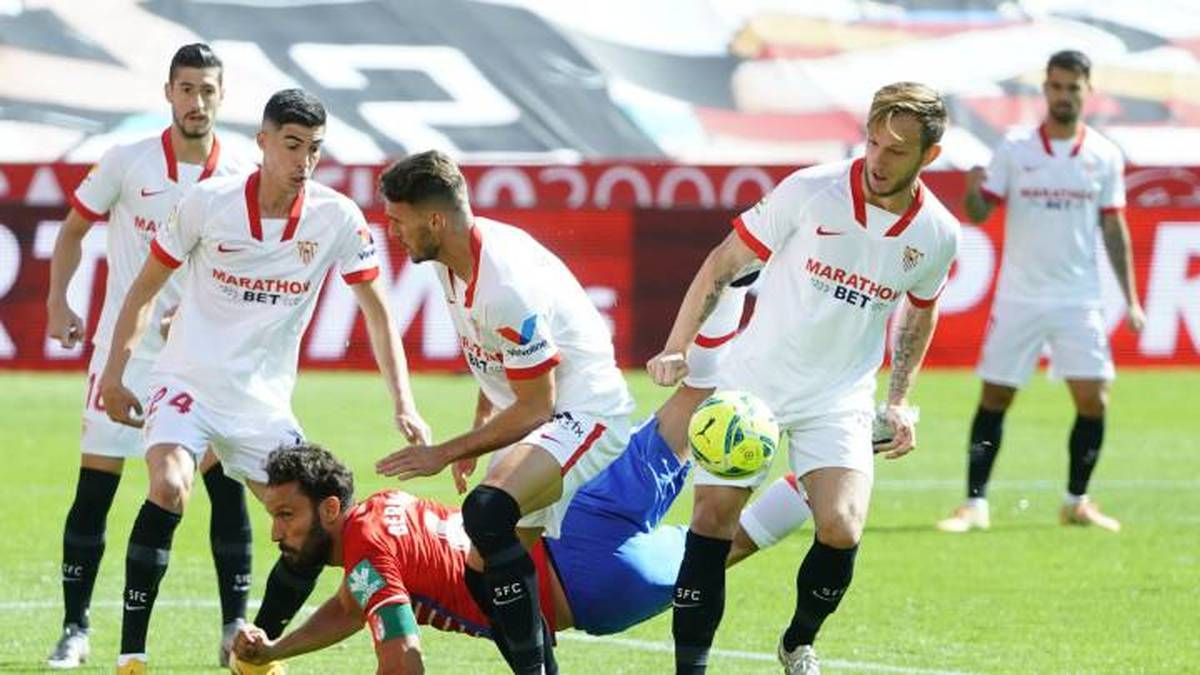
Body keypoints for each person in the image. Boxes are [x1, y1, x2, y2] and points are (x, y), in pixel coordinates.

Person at [97, 88, 429, 674]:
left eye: (315, 149)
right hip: (187, 384)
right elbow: (143, 290)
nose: (303, 162)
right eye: (293, 145)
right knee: (171, 487)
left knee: (318, 523)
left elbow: (378, 313)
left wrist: (404, 403)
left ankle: (256, 650)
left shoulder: (336, 217)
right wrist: (117, 374)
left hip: (261, 404)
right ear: (264, 142)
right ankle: (132, 656)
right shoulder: (209, 202)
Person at [647, 82, 959, 675]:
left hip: (839, 396)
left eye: (896, 151)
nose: (877, 159)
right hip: (753, 383)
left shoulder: (937, 233)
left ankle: (797, 643)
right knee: (712, 520)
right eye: (872, 142)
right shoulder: (811, 190)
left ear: (929, 157)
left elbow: (922, 309)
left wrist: (899, 400)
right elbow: (723, 262)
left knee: (841, 529)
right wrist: (675, 347)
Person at [230, 393, 813, 671]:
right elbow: (349, 606)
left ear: (330, 510)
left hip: (590, 593)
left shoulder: (366, 553)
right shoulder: (382, 512)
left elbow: (402, 659)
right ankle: (821, 450)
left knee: (728, 547)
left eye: (286, 515)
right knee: (682, 413)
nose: (277, 533)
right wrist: (279, 649)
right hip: (569, 533)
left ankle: (814, 479)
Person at [372, 150, 635, 673]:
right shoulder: (454, 262)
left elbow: (539, 406)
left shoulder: (504, 284)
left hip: (588, 411)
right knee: (480, 571)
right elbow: (493, 362)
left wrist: (444, 452)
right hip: (547, 413)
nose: (393, 234)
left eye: (398, 221)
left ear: (435, 219)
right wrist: (478, 433)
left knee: (489, 513)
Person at [43, 43, 257, 669]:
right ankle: (75, 630)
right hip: (125, 353)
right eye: (186, 89)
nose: (197, 102)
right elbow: (72, 232)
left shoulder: (242, 170)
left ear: (223, 95)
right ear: (168, 93)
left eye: (207, 90)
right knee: (95, 489)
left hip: (203, 359)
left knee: (224, 487)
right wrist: (57, 303)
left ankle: (233, 628)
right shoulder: (127, 161)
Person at [937, 50, 1142, 535]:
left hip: (1078, 299)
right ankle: (974, 504)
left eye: (1073, 87)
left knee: (1094, 399)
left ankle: (1076, 501)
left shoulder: (1104, 155)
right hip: (1020, 297)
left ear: (1088, 91)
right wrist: (971, 190)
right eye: (1056, 86)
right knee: (995, 397)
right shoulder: (1015, 147)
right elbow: (981, 211)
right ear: (1045, 89)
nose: (1064, 95)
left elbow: (1115, 228)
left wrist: (1131, 299)